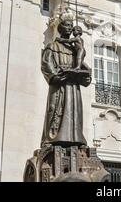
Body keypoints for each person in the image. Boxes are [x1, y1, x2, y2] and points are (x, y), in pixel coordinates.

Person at [40, 18, 91, 148]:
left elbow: (82, 66)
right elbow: (46, 64)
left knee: (74, 112)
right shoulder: (52, 46)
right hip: (59, 84)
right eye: (67, 25)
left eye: (71, 26)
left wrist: (84, 75)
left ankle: (76, 139)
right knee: (56, 109)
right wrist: (56, 76)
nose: (69, 28)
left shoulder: (75, 49)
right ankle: (51, 138)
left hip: (73, 87)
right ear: (61, 28)